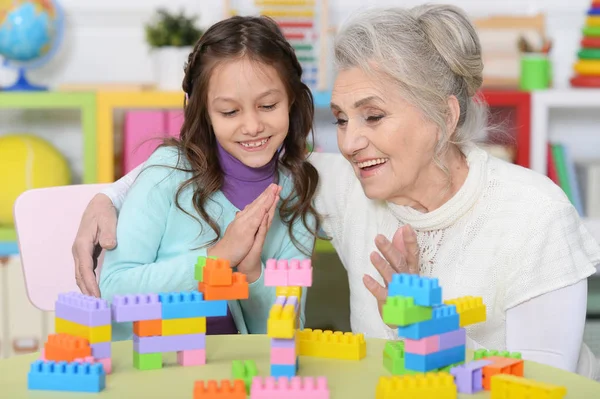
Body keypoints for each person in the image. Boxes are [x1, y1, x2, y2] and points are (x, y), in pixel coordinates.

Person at [73, 5, 600, 378]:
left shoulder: (533, 214)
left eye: (373, 116)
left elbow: (548, 387)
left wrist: (427, 329)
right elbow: (210, 167)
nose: (349, 142)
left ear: (445, 113)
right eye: (342, 119)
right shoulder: (343, 184)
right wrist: (107, 199)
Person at [93, 15, 321, 341]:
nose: (252, 125)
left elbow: (286, 333)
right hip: (153, 367)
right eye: (230, 112)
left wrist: (252, 273)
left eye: (268, 105)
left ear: (291, 101)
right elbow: (113, 290)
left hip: (233, 373)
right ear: (204, 112)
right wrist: (218, 258)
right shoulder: (167, 173)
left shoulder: (295, 196)